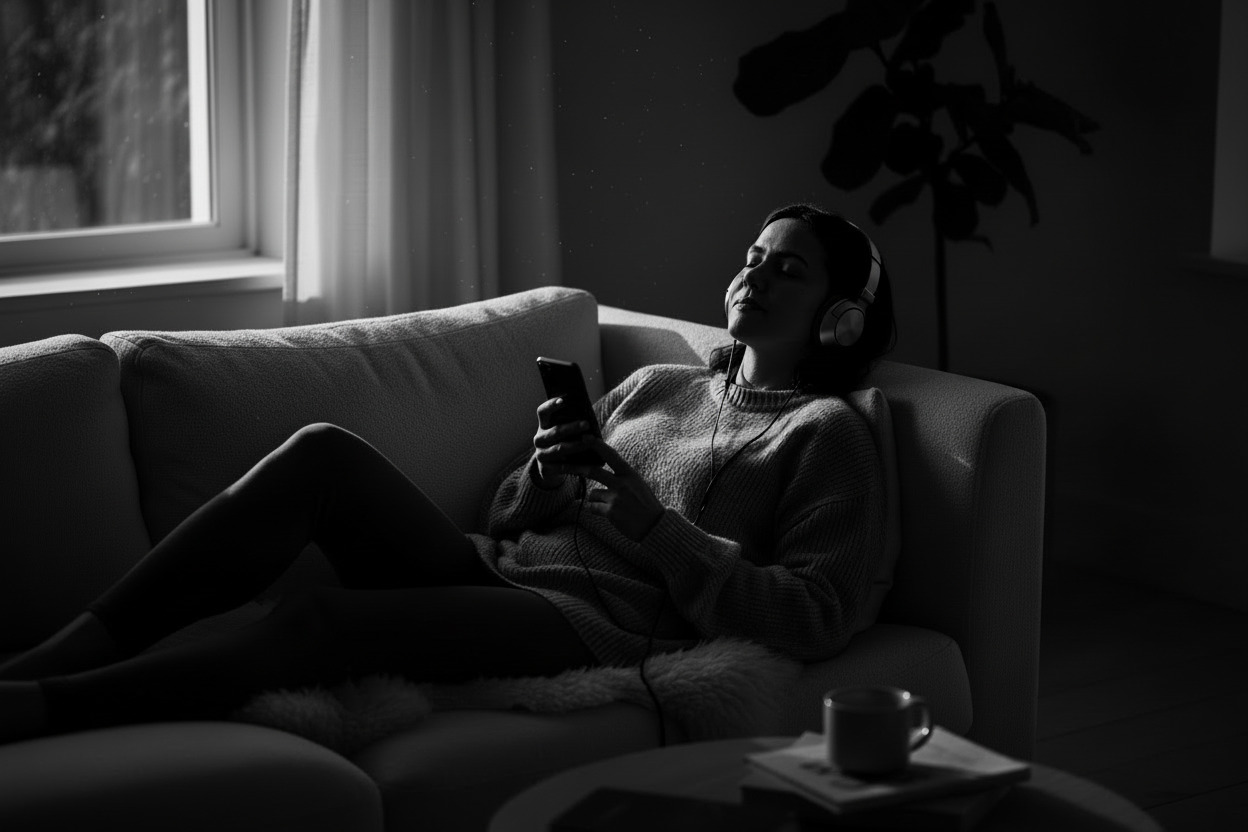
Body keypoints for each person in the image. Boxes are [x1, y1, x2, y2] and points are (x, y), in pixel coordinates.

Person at [0, 203, 896, 745]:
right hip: (504, 573)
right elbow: (504, 511)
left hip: (598, 629)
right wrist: (548, 476)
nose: (754, 277)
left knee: (319, 620)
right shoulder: (660, 384)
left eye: (788, 270)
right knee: (321, 453)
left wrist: (653, 528)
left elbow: (816, 614)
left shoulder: (827, 434)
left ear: (840, 318)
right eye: (753, 258)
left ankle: (50, 706)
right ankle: (59, 652)